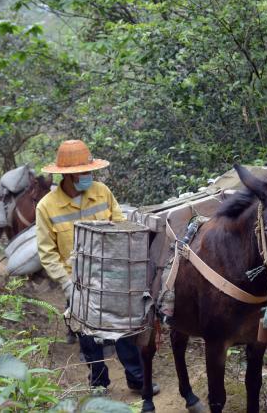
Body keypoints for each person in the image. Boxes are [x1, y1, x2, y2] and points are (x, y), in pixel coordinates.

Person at [35, 139, 158, 395]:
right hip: (77, 281)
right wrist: (66, 284)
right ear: (67, 176)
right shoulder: (46, 206)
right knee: (87, 336)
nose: (89, 176)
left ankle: (136, 379)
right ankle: (98, 382)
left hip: (112, 277)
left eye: (90, 171)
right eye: (83, 172)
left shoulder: (102, 192)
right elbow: (47, 253)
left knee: (122, 329)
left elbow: (121, 226)